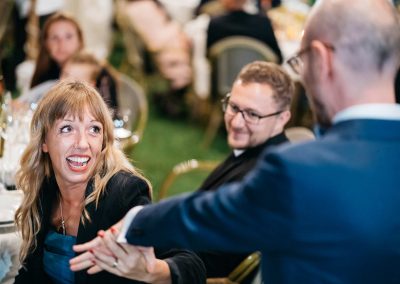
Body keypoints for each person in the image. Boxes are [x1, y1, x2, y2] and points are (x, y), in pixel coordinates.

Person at [72, 0, 400, 283]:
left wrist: (134, 223)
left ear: (322, 59)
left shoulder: (300, 169)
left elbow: (206, 216)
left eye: (302, 62)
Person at [14, 81, 206, 284]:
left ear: (103, 141)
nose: (82, 143)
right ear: (44, 142)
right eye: (67, 128)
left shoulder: (124, 194)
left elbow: (192, 266)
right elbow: (30, 275)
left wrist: (151, 271)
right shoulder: (45, 188)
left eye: (94, 129)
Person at [196, 61, 292, 280]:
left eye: (252, 115)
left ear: (281, 119)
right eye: (234, 107)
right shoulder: (257, 146)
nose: (237, 123)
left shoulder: (262, 179)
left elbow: (217, 261)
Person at [30, 12, 83, 89]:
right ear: (46, 43)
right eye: (54, 37)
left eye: (68, 36)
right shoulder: (43, 77)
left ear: (80, 40)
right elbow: (33, 100)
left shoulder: (97, 72)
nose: (61, 43)